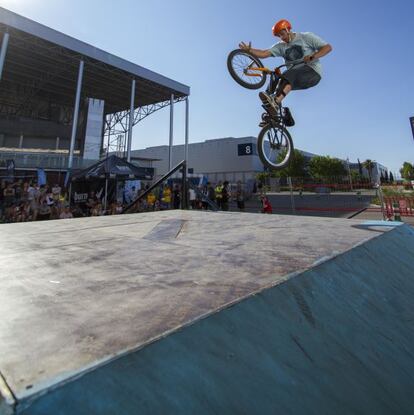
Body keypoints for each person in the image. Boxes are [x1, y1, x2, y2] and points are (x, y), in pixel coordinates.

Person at [239, 19, 332, 125]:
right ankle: (274, 117)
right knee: (273, 85)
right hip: (294, 76)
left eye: (282, 34)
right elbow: (264, 53)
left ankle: (276, 101)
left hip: (312, 73)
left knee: (289, 74)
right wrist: (249, 50)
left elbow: (327, 47)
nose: (282, 37)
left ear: (288, 29)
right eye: (279, 36)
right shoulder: (281, 46)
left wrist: (313, 56)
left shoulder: (305, 37)